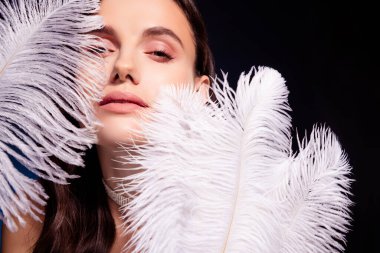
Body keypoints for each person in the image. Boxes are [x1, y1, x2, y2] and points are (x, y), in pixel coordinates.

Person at [1, 0, 215, 252]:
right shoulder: (33, 216)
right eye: (98, 48)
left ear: (199, 92)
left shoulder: (244, 216)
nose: (123, 66)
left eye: (159, 52)